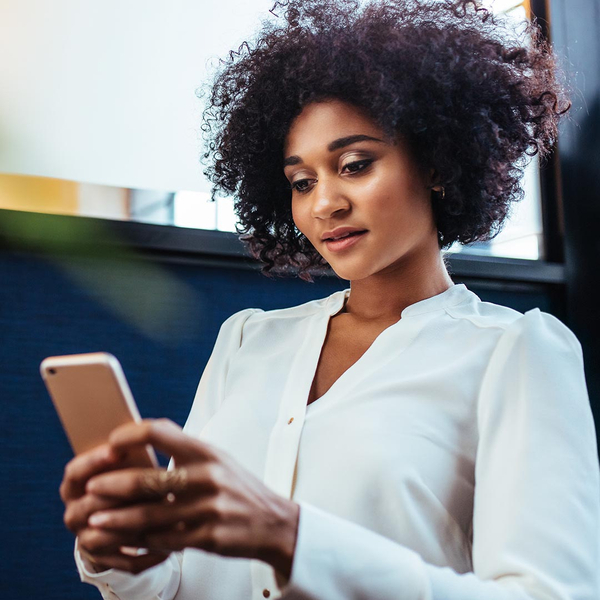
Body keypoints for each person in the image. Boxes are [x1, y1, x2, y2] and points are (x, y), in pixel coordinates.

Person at [60, 0, 600, 598]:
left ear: (439, 164)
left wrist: (292, 540)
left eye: (355, 164)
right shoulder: (248, 340)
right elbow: (178, 583)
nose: (324, 205)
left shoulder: (515, 353)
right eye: (302, 182)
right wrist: (123, 555)